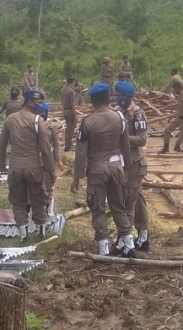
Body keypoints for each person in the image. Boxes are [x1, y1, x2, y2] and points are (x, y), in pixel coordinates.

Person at [70, 83, 135, 257]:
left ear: (92, 101)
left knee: (98, 209)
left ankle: (103, 249)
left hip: (97, 171)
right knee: (118, 207)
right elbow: (125, 146)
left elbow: (81, 152)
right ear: (108, 99)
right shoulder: (120, 118)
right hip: (117, 168)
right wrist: (127, 167)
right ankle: (129, 245)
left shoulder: (87, 122)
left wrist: (77, 177)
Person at [0, 90, 54, 241]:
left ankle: (23, 234)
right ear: (30, 102)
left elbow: (2, 145)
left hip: (15, 167)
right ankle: (41, 231)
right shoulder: (37, 120)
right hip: (34, 167)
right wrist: (50, 170)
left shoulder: (10, 120)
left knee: (18, 201)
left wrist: (1, 165)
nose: (41, 106)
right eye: (39, 103)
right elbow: (45, 148)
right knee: (38, 199)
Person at [114, 81, 149, 251]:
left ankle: (125, 240)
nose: (117, 98)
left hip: (134, 162)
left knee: (129, 199)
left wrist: (123, 138)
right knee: (137, 199)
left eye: (120, 95)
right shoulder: (117, 112)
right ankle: (143, 234)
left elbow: (142, 139)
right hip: (124, 161)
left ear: (128, 97)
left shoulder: (137, 113)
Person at [159, 81, 183, 163]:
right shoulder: (180, 97)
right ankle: (166, 147)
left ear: (178, 89)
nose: (174, 91)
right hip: (178, 118)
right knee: (167, 130)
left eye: (174, 89)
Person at [40, 102, 63, 210]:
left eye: (44, 112)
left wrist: (58, 160)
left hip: (49, 160)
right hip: (36, 160)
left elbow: (56, 144)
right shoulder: (32, 125)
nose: (42, 114)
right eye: (40, 112)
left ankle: (47, 210)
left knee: (48, 186)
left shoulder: (51, 126)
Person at [61, 74, 77, 151]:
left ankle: (69, 144)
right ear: (73, 82)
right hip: (70, 111)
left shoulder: (63, 89)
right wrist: (75, 115)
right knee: (70, 130)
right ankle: (68, 147)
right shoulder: (71, 91)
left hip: (64, 110)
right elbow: (72, 105)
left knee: (68, 129)